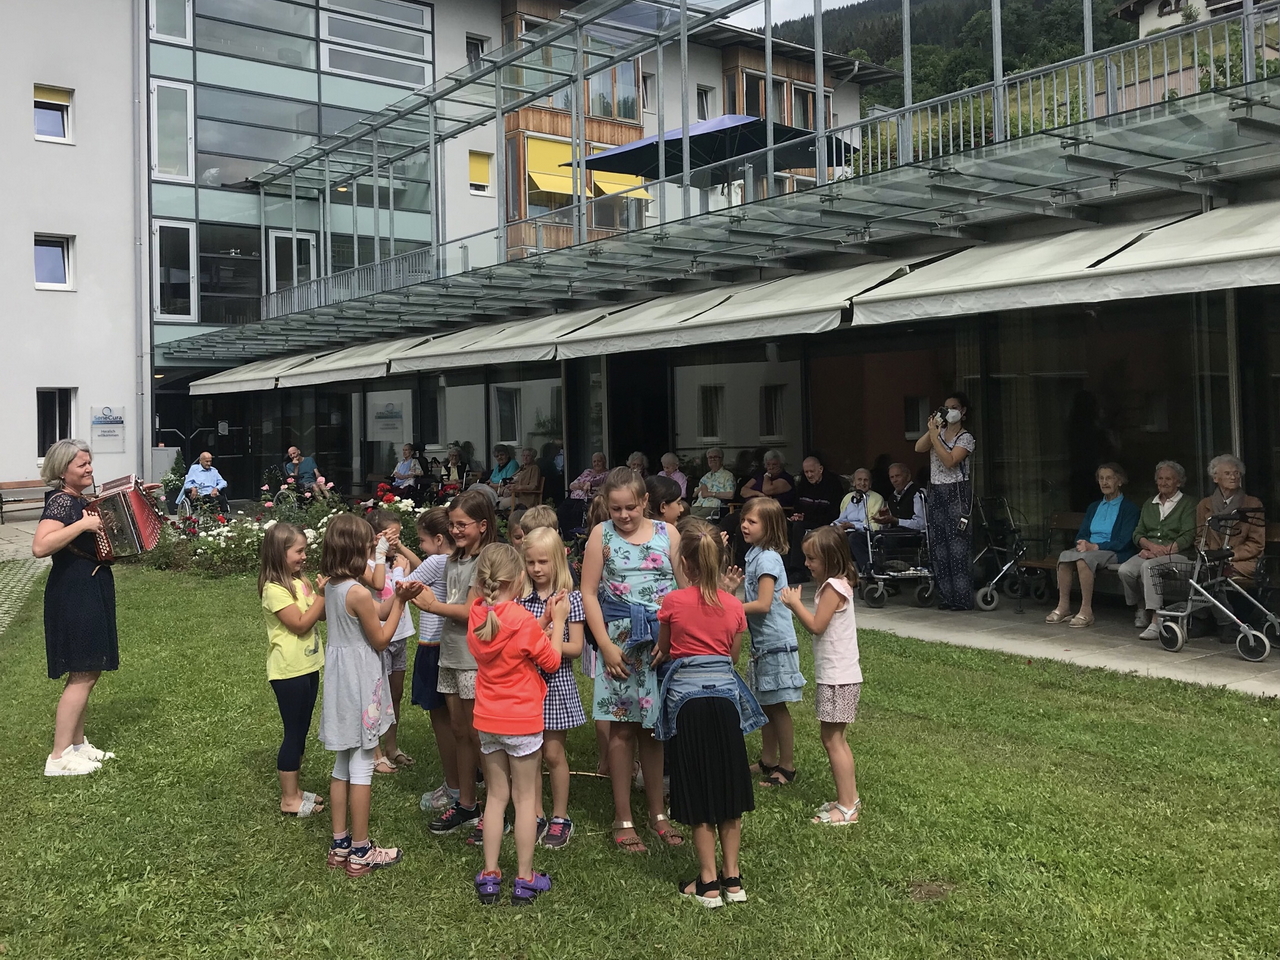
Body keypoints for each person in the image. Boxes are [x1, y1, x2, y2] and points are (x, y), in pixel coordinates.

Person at [653, 518, 765, 909]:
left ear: (684, 562)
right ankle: (734, 879)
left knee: (698, 788)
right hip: (725, 702)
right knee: (729, 788)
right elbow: (733, 656)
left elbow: (667, 648)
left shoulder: (672, 602)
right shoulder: (734, 604)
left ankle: (707, 882)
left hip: (687, 705)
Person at [580, 467, 686, 853]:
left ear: (645, 502)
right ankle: (623, 816)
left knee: (655, 729)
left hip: (661, 641)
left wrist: (673, 636)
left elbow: (683, 588)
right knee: (622, 730)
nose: (623, 516)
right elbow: (588, 593)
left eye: (630, 507)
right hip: (621, 645)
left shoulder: (667, 534)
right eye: (616, 508)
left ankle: (658, 813)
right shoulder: (600, 534)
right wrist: (604, 644)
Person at [318, 513, 422, 877]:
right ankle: (362, 851)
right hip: (362, 683)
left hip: (340, 684)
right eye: (367, 549)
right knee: (363, 764)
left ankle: (340, 843)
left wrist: (396, 597)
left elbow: (378, 609)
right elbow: (380, 637)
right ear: (355, 553)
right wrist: (403, 605)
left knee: (341, 765)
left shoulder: (333, 586)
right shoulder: (358, 590)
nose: (370, 555)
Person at [35, 440, 141, 776]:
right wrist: (82, 525)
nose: (89, 468)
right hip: (74, 591)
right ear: (63, 469)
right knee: (81, 672)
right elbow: (40, 546)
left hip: (90, 585)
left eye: (90, 463)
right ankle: (57, 757)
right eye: (82, 464)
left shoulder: (78, 500)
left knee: (87, 670)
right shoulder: (61, 502)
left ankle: (76, 745)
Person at [469, 543, 565, 906]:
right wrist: (555, 622)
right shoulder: (523, 621)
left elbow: (510, 640)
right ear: (521, 578)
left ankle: (490, 874)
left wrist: (539, 624)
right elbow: (551, 660)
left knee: (496, 797)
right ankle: (525, 878)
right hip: (522, 720)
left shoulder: (477, 614)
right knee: (526, 800)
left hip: (487, 719)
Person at [418, 490, 500, 838]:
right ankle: (467, 803)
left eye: (462, 525)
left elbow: (472, 612)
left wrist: (431, 605)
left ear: (482, 525)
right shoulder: (453, 560)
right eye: (452, 525)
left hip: (472, 658)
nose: (455, 531)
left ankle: (497, 808)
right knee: (459, 731)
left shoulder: (486, 561)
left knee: (479, 734)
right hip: (449, 655)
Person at [781, 526, 863, 826]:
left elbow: (816, 626)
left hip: (837, 677)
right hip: (840, 675)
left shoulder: (832, 587)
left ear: (829, 558)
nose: (807, 564)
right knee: (835, 738)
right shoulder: (838, 583)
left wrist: (794, 604)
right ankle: (849, 799)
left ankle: (846, 807)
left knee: (832, 740)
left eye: (812, 558)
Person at [517, 526, 586, 849]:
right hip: (525, 686)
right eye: (530, 562)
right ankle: (534, 812)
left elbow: (576, 647)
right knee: (529, 752)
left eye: (543, 562)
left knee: (553, 752)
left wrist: (549, 642)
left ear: (557, 561)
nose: (536, 569)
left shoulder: (569, 598)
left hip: (555, 686)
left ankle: (560, 815)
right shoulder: (520, 597)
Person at [258, 522, 328, 816]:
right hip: (288, 671)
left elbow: (319, 617)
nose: (304, 556)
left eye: (305, 550)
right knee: (293, 731)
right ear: (279, 553)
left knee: (301, 731)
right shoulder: (274, 590)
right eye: (298, 551)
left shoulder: (301, 583)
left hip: (308, 665)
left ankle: (296, 790)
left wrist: (318, 593)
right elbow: (299, 624)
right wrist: (321, 595)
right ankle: (289, 799)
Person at [737, 496, 806, 788]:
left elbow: (764, 604)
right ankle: (767, 759)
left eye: (752, 521)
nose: (744, 525)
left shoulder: (767, 559)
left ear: (771, 526)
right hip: (762, 644)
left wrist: (729, 608)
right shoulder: (754, 553)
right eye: (744, 519)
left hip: (775, 643)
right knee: (764, 703)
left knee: (777, 705)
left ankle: (786, 766)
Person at [405, 508, 460, 814]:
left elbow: (405, 588)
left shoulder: (436, 561)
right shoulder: (454, 561)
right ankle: (467, 777)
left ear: (439, 539)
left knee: (442, 721)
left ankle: (452, 785)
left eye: (423, 541)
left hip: (432, 647)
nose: (421, 548)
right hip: (452, 646)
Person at [1044, 463, 1140, 629]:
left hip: (1113, 551)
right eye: (1101, 478)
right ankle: (1063, 607)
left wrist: (1095, 547)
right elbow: (1082, 533)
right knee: (1065, 556)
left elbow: (1124, 541)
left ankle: (1086, 611)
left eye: (1109, 478)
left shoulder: (1129, 508)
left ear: (1120, 481)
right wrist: (1082, 543)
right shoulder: (1094, 507)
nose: (1104, 482)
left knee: (1083, 560)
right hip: (1090, 549)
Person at [1118, 461, 1197, 639]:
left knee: (1149, 568)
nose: (1163, 482)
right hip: (1151, 552)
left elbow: (1188, 536)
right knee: (1125, 571)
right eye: (1160, 478)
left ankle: (1156, 619)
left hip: (1179, 554)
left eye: (1169, 479)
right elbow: (1138, 533)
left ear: (1179, 482)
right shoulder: (1149, 503)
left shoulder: (1188, 504)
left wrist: (1165, 550)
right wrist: (1150, 547)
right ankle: (1141, 607)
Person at [365, 510, 419, 770]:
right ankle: (374, 751)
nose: (395, 542)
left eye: (399, 535)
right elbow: (377, 587)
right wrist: (382, 557)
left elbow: (422, 568)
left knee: (395, 693)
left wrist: (402, 551)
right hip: (380, 635)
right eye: (391, 536)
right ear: (377, 537)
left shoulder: (399, 560)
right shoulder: (368, 564)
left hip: (400, 634)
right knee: (378, 695)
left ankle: (391, 745)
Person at [1191, 455, 1266, 636]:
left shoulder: (1252, 504)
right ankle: (1224, 623)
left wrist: (1229, 555)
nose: (1233, 477)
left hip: (1243, 560)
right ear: (1215, 478)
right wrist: (1207, 554)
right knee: (1204, 570)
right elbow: (1200, 537)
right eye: (1228, 473)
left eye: (1236, 473)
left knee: (1212, 572)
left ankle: (1206, 620)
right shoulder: (1205, 505)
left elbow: (1257, 544)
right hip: (1215, 560)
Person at [915, 393, 976, 611]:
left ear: (963, 411)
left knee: (957, 545)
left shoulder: (965, 438)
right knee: (939, 545)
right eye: (946, 407)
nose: (950, 411)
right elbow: (918, 448)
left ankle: (961, 599)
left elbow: (950, 460)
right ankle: (946, 596)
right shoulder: (937, 433)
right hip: (936, 492)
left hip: (956, 492)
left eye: (955, 407)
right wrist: (933, 430)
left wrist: (935, 438)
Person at [787, 455, 846, 582]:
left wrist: (806, 517)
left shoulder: (833, 485)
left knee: (798, 527)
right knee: (785, 526)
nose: (809, 475)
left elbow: (833, 514)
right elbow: (797, 505)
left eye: (811, 471)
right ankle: (786, 568)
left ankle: (798, 570)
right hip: (804, 520)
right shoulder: (803, 483)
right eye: (806, 472)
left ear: (820, 469)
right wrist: (796, 515)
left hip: (824, 523)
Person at [833, 469, 886, 574]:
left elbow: (874, 525)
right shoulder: (848, 498)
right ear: (853, 482)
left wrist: (853, 525)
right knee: (828, 536)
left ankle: (870, 572)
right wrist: (834, 527)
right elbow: (841, 518)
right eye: (859, 480)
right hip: (847, 531)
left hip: (867, 533)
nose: (862, 483)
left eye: (866, 480)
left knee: (852, 538)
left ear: (870, 483)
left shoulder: (877, 498)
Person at [559, 452, 609, 532]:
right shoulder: (587, 472)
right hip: (574, 497)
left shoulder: (607, 474)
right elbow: (572, 485)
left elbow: (605, 488)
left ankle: (576, 535)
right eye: (594, 461)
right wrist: (582, 486)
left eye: (599, 461)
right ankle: (567, 536)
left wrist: (590, 487)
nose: (596, 463)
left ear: (604, 462)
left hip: (588, 498)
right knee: (562, 511)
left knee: (576, 513)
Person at [875, 462, 927, 533]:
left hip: (913, 536)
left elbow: (921, 524)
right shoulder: (892, 498)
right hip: (894, 535)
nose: (894, 480)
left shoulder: (918, 493)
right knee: (859, 537)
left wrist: (897, 521)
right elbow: (889, 525)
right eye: (892, 477)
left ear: (908, 476)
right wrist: (885, 520)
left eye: (898, 476)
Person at [691, 448, 736, 520]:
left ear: (721, 460)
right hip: (698, 505)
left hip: (714, 507)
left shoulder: (728, 476)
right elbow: (694, 495)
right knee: (683, 516)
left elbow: (730, 495)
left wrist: (710, 494)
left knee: (692, 519)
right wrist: (701, 488)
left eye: (716, 457)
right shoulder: (705, 477)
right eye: (710, 457)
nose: (713, 459)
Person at [499, 447, 543, 511]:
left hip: (524, 498)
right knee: (496, 501)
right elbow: (513, 479)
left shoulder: (534, 468)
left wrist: (518, 487)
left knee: (502, 503)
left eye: (528, 456)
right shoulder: (522, 468)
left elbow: (533, 486)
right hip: (514, 494)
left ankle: (504, 520)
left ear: (533, 457)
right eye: (523, 455)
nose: (525, 457)